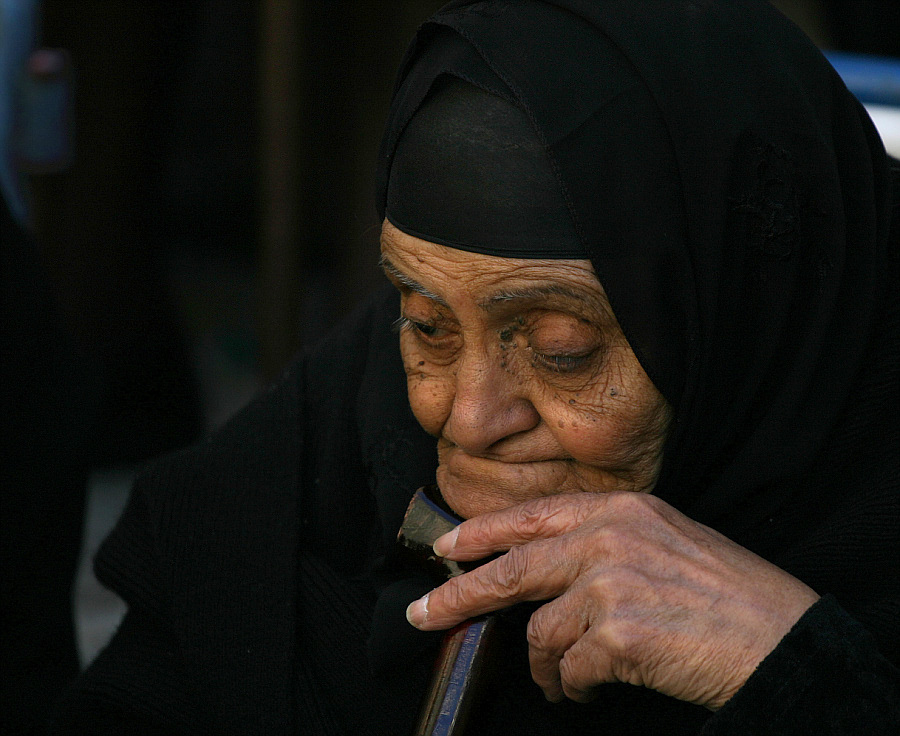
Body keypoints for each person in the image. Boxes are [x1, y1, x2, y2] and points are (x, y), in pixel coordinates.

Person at [49, 0, 898, 733]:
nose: (466, 419)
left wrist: (792, 673)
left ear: (748, 326)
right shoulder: (305, 495)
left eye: (563, 351)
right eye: (426, 327)